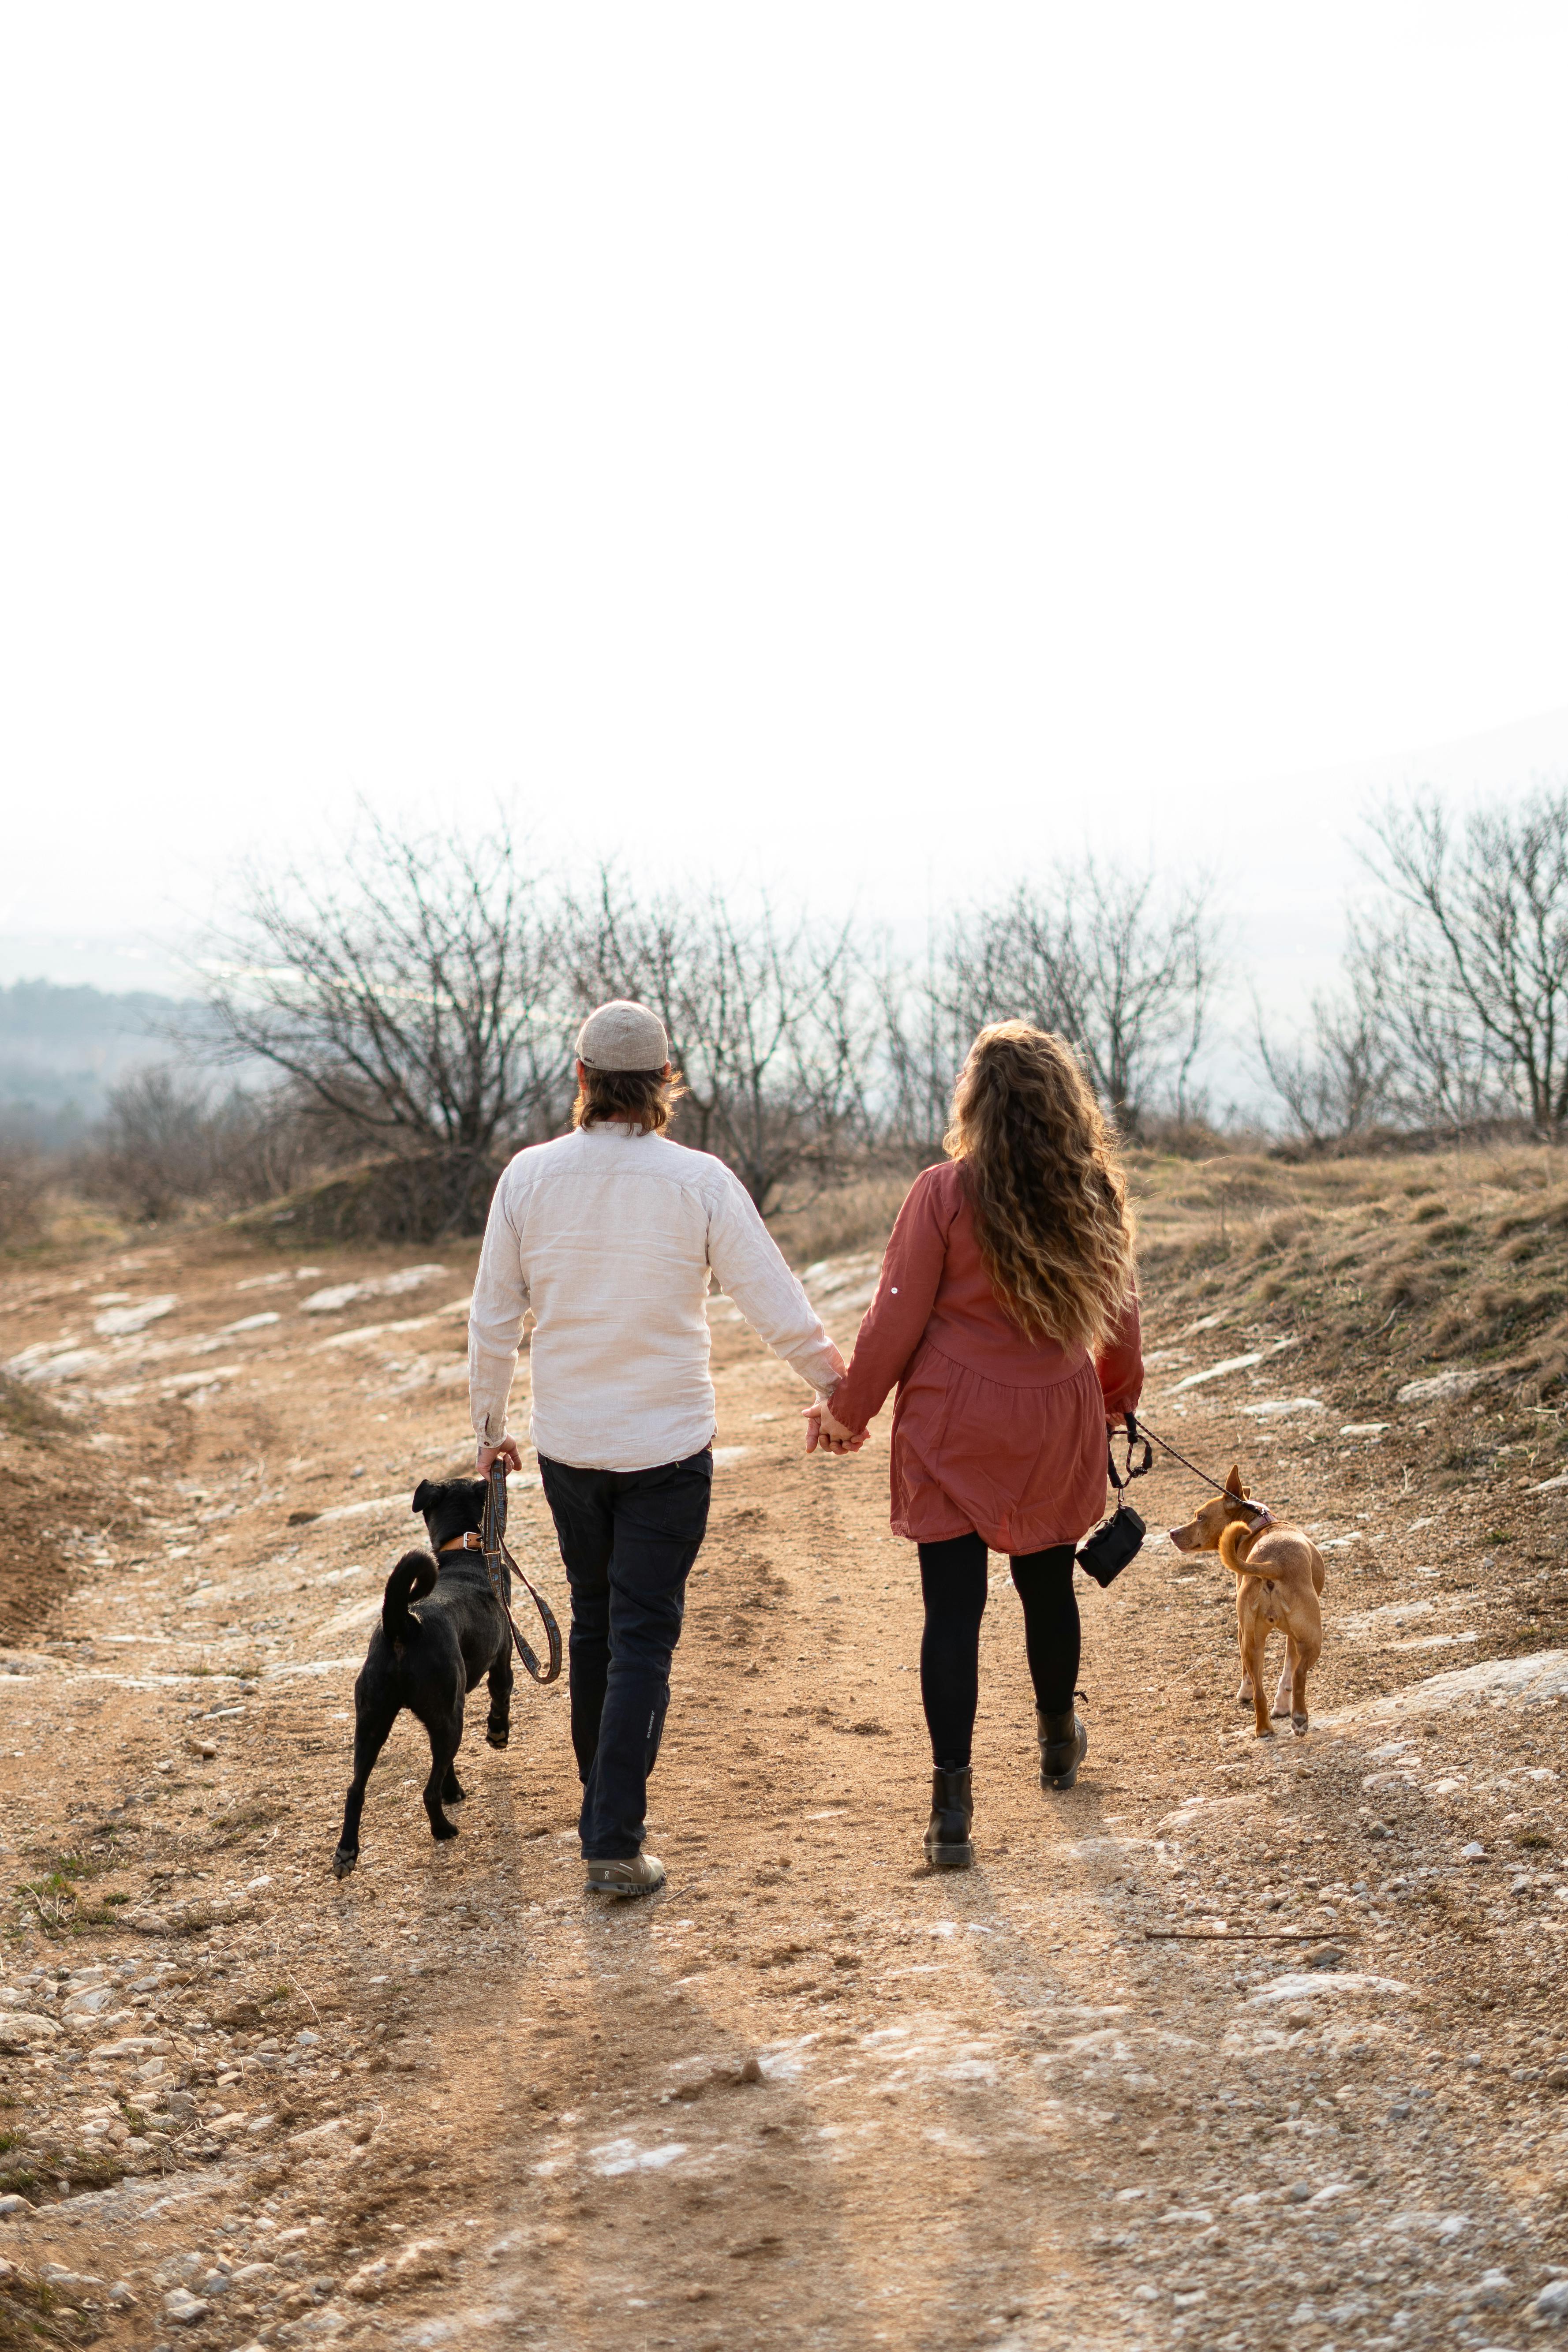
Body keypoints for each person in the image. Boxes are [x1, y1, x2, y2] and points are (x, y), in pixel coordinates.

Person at [468, 998, 845, 1898]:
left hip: (569, 1448)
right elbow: (771, 1297)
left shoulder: (526, 1177)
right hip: (668, 1449)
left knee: (597, 1623)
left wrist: (488, 1432)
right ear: (664, 1083)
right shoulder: (700, 1181)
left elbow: (492, 1319)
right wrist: (837, 1387)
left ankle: (605, 1816)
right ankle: (610, 1838)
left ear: (582, 1081)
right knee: (640, 1637)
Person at [808, 1022, 1141, 1870]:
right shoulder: (1094, 1192)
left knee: (952, 1613)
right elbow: (1120, 1321)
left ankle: (951, 1811)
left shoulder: (943, 1192)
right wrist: (1112, 1405)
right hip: (1051, 1418)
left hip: (953, 1421)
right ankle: (1059, 1738)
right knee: (1047, 1586)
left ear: (976, 1104)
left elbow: (894, 1315)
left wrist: (850, 1409)